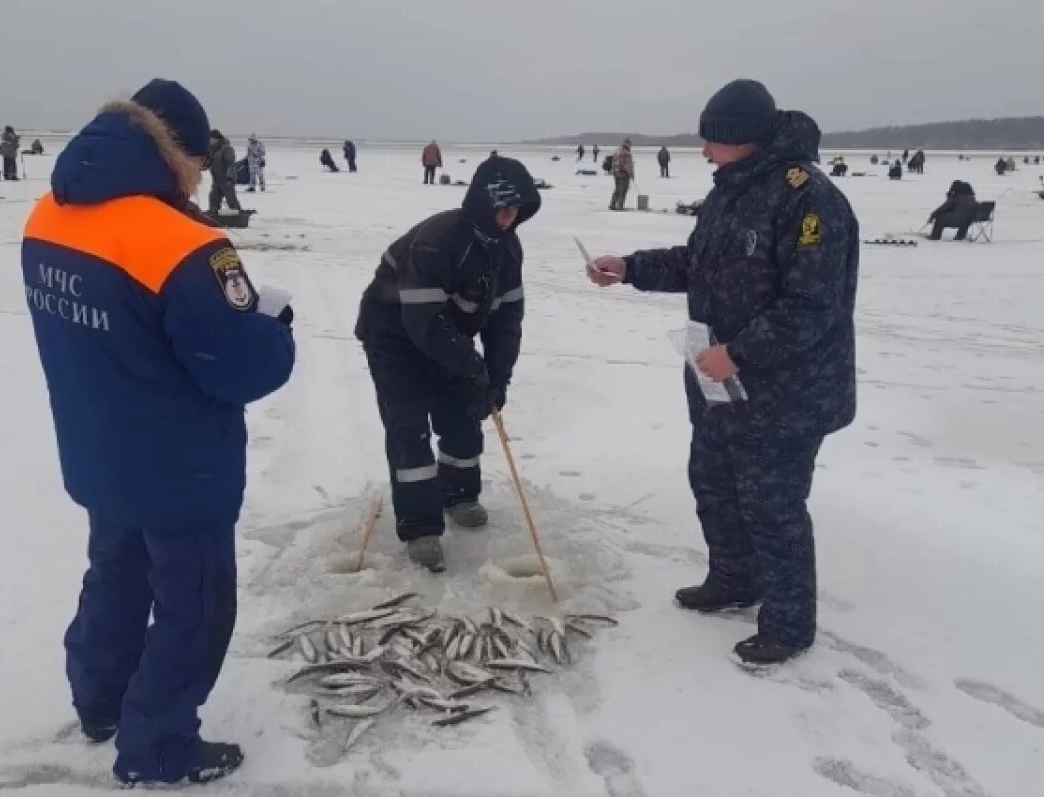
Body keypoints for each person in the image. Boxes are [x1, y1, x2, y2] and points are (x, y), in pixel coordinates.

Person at [20, 78, 295, 786]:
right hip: (179, 466)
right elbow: (238, 368)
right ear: (179, 153)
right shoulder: (185, 244)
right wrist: (272, 331)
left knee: (114, 571)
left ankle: (101, 697)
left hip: (97, 445)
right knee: (191, 604)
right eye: (199, 161)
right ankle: (160, 744)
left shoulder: (48, 215)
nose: (202, 176)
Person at [586, 80, 858, 666]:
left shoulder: (808, 198)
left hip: (786, 391)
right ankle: (734, 579)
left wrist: (738, 352)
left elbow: (812, 305)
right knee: (713, 483)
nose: (705, 150)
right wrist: (630, 268)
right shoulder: (732, 190)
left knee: (772, 504)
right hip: (720, 385)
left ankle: (788, 624)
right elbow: (697, 262)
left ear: (744, 138)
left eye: (713, 139)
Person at [354, 155, 541, 572]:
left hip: (449, 336)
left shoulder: (508, 250)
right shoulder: (438, 238)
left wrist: (495, 378)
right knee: (409, 426)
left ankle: (458, 494)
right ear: (482, 203)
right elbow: (422, 320)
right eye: (503, 209)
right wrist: (470, 366)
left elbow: (506, 320)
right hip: (394, 336)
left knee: (462, 414)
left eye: (518, 211)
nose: (510, 219)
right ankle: (420, 525)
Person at [207, 129, 241, 214]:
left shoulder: (226, 149)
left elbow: (231, 164)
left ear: (217, 139)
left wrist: (230, 177)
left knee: (231, 199)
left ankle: (238, 216)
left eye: (211, 139)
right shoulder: (212, 150)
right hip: (217, 180)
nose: (210, 140)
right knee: (213, 198)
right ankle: (214, 215)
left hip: (226, 180)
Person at [610, 139, 634, 210]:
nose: (631, 146)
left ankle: (613, 204)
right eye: (630, 144)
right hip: (623, 174)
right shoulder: (625, 152)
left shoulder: (617, 151)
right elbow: (625, 164)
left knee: (617, 189)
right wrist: (630, 173)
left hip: (616, 173)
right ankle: (620, 206)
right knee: (623, 190)